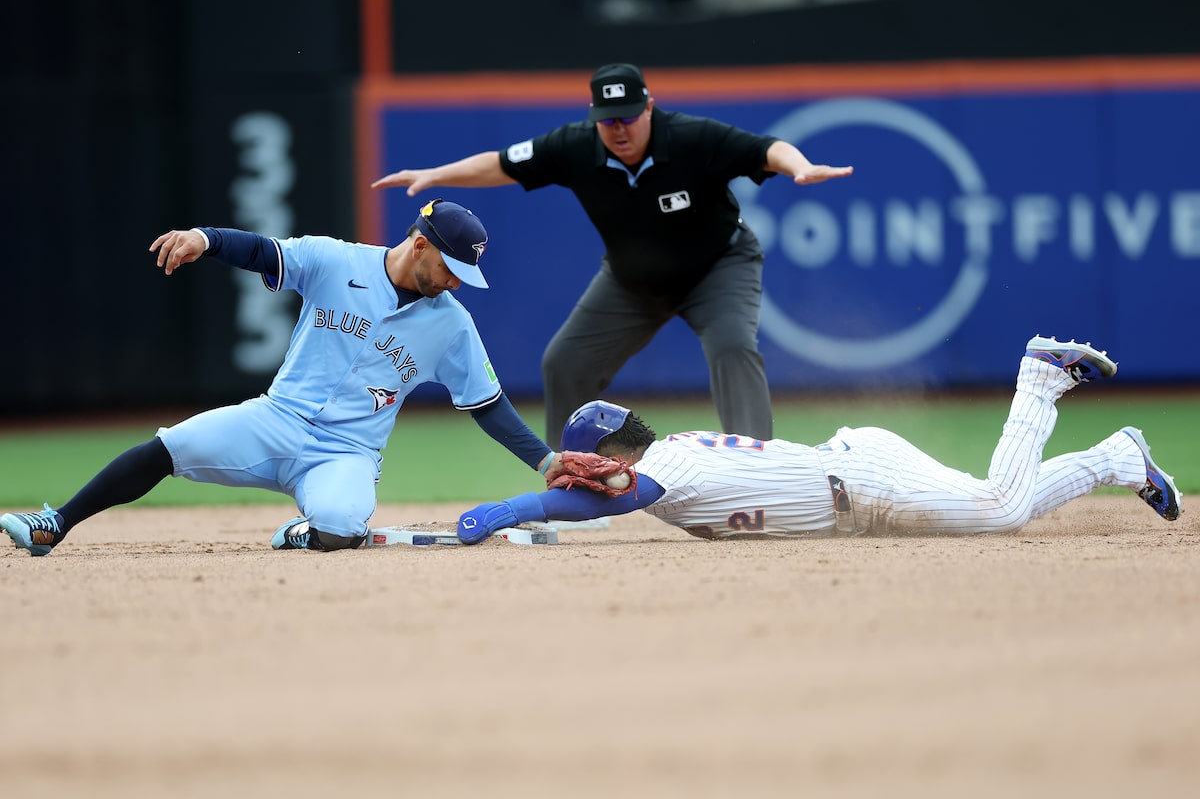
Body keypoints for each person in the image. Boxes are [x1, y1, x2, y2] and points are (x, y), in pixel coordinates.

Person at [1, 199, 564, 556]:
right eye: (451, 268)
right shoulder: (335, 260)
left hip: (347, 451)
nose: (457, 283)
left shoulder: (452, 325)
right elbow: (262, 251)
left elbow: (486, 404)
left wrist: (547, 461)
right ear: (420, 243)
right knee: (169, 446)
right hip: (274, 420)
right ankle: (56, 521)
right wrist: (205, 237)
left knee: (342, 527)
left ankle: (303, 531)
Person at [371, 63, 853, 448]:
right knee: (564, 362)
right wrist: (435, 174)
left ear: (649, 107)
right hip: (632, 281)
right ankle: (575, 476)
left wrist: (802, 167)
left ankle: (757, 472)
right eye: (607, 119)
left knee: (732, 347)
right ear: (594, 115)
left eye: (627, 116)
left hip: (717, 268)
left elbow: (766, 149)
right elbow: (500, 165)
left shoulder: (690, 137)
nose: (618, 128)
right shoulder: (576, 146)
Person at [455, 336, 1183, 543]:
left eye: (592, 459)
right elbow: (614, 496)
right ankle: (1117, 457)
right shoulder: (666, 459)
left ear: (613, 451)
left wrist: (512, 510)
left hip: (862, 481)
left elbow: (600, 506)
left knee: (999, 510)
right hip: (856, 473)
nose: (585, 471)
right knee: (1000, 503)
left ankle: (1038, 378)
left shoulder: (664, 466)